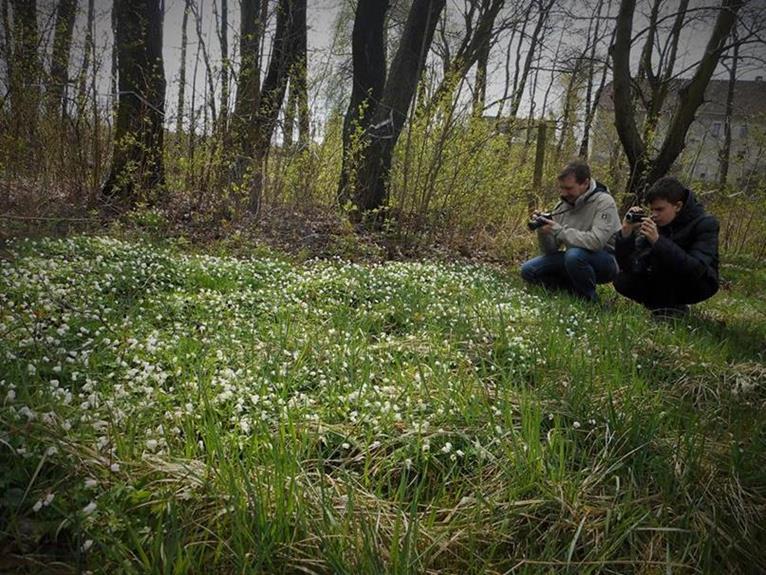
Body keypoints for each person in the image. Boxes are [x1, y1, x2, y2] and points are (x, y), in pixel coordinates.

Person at [613, 176, 719, 315]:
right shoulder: (656, 223)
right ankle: (660, 308)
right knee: (622, 279)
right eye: (652, 210)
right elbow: (630, 264)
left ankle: (668, 309)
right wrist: (626, 233)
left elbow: (696, 269)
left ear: (678, 206)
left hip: (696, 283)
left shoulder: (705, 223)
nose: (654, 215)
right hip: (661, 278)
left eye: (660, 209)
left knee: (662, 264)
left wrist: (658, 241)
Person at [520, 160, 621, 302]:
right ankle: (571, 290)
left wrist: (559, 230)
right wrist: (544, 231)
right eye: (561, 188)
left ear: (585, 183)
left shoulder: (605, 202)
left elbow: (596, 241)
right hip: (572, 258)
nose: (564, 193)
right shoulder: (562, 206)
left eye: (569, 188)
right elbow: (550, 251)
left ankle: (590, 300)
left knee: (574, 255)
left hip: (606, 260)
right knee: (528, 270)